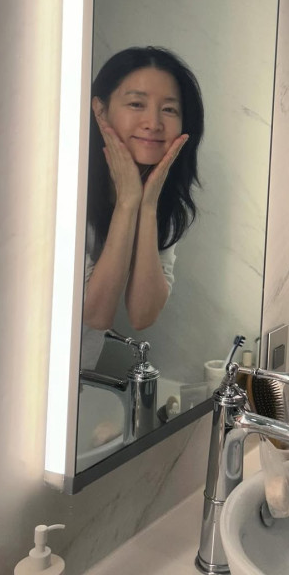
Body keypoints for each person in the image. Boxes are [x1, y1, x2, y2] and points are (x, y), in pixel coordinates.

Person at [81, 46, 204, 369]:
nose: (153, 123)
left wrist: (146, 206)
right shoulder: (66, 191)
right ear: (100, 110)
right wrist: (127, 203)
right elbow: (96, 314)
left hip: (75, 379)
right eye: (136, 104)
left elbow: (142, 314)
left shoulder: (161, 196)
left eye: (169, 109)